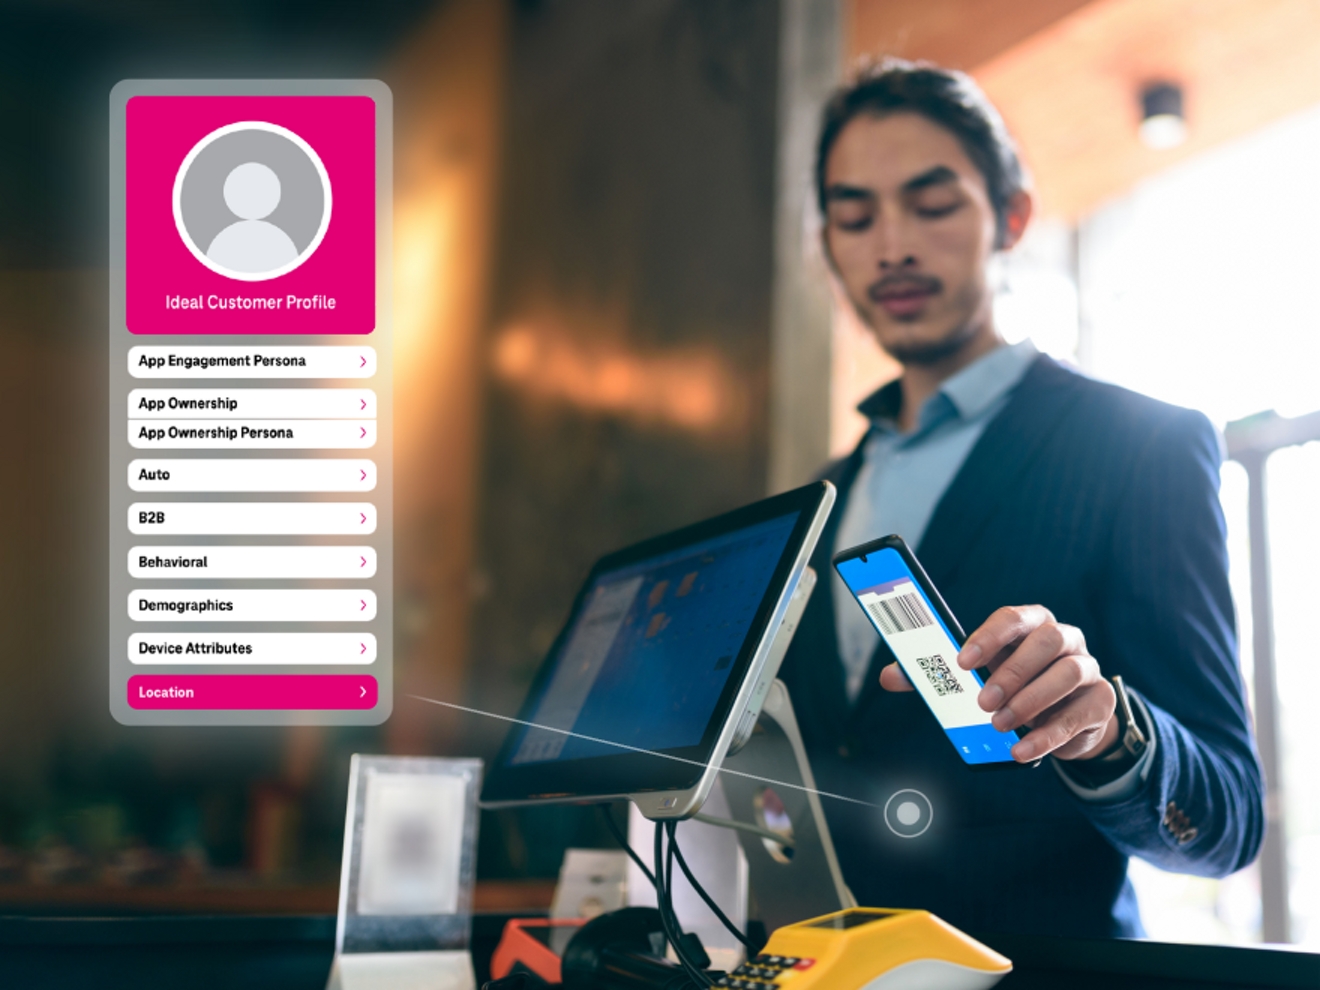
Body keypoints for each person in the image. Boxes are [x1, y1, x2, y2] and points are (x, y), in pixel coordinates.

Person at [776, 59, 1264, 938]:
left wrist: (1110, 732)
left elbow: (1227, 819)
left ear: (1012, 215)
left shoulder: (1142, 448)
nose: (891, 245)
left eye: (932, 204)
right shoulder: (820, 498)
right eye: (855, 216)